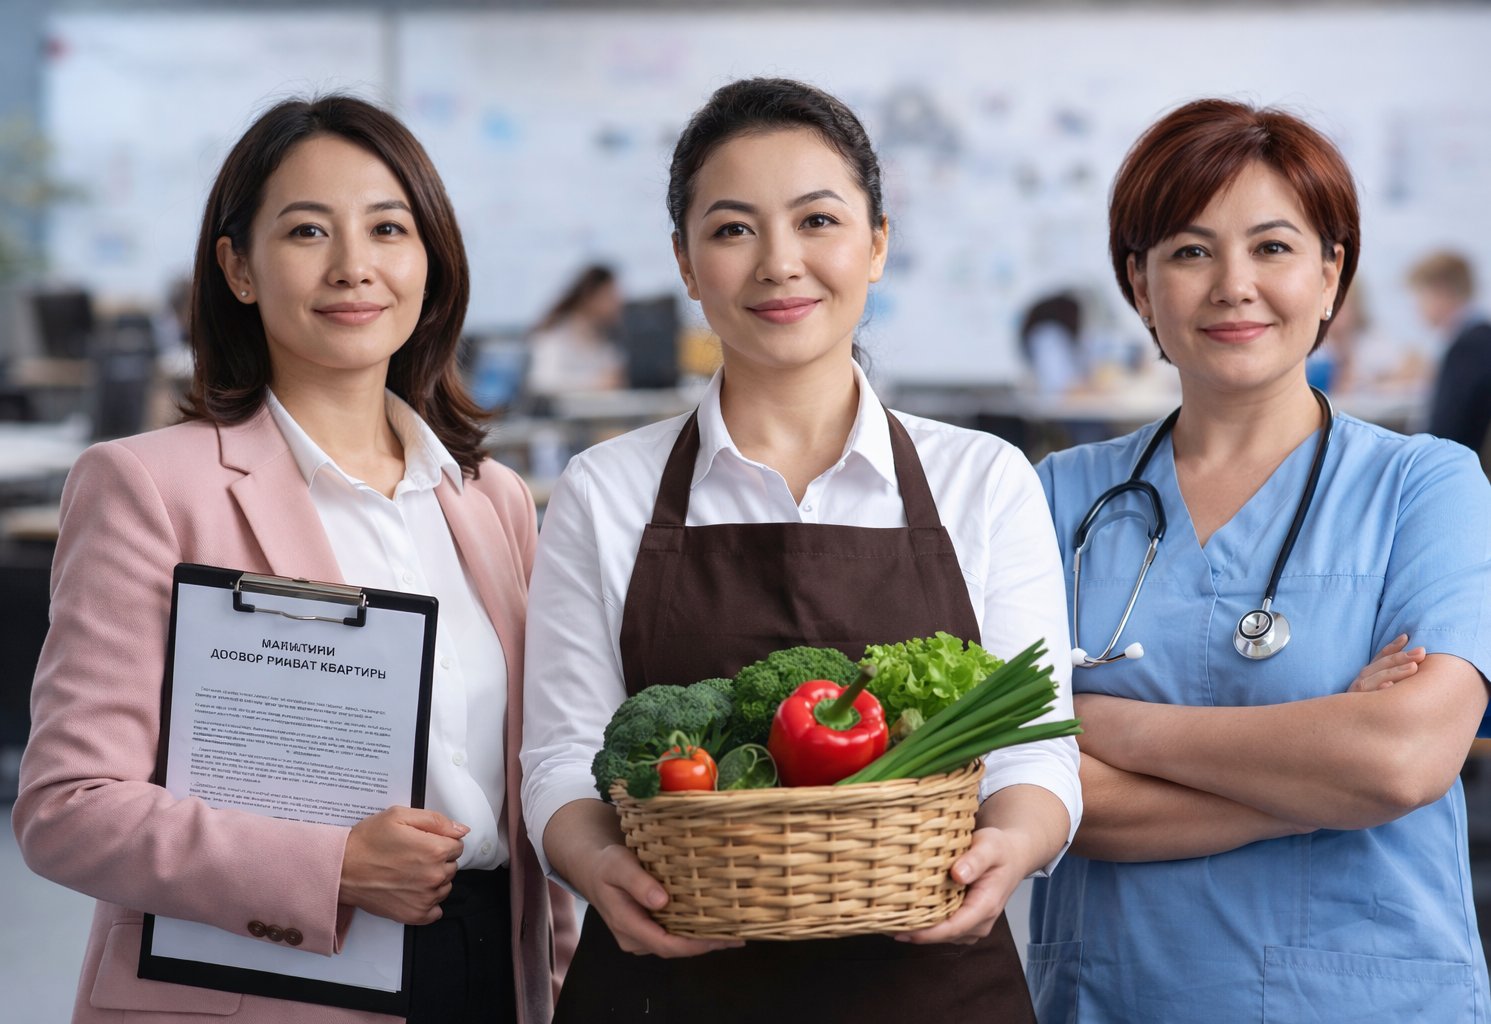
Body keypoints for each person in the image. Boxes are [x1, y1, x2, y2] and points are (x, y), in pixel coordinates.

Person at [521, 78, 1080, 1023]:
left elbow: (1037, 751)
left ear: (877, 243)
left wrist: (1011, 849)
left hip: (929, 989)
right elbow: (564, 758)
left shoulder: (985, 480)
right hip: (670, 982)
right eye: (733, 229)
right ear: (686, 263)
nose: (780, 263)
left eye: (818, 220)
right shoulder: (605, 489)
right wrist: (598, 865)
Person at [13, 95, 573, 1024]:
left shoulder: (492, 500)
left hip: (483, 976)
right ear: (238, 267)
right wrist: (334, 866)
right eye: (308, 230)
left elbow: (522, 790)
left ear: (430, 262)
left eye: (388, 228)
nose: (354, 265)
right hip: (264, 986)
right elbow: (67, 808)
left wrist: (553, 988)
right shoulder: (148, 487)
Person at [1030, 100, 1491, 1023]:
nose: (1234, 285)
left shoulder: (1426, 485)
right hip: (1116, 996)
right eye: (1190, 251)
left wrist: (1105, 724)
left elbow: (1403, 760)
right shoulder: (1057, 497)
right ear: (1140, 285)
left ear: (1331, 276)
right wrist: (1325, 779)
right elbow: (1024, 787)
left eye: (1273, 247)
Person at [1412, 251, 1491, 546]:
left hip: (1480, 493)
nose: (1416, 308)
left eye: (1420, 297)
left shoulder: (1467, 349)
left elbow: (1442, 434)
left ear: (1441, 293)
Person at [525, 265, 626, 396]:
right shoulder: (555, 331)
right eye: (610, 296)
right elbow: (544, 381)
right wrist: (595, 384)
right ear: (591, 295)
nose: (618, 302)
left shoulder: (607, 337)